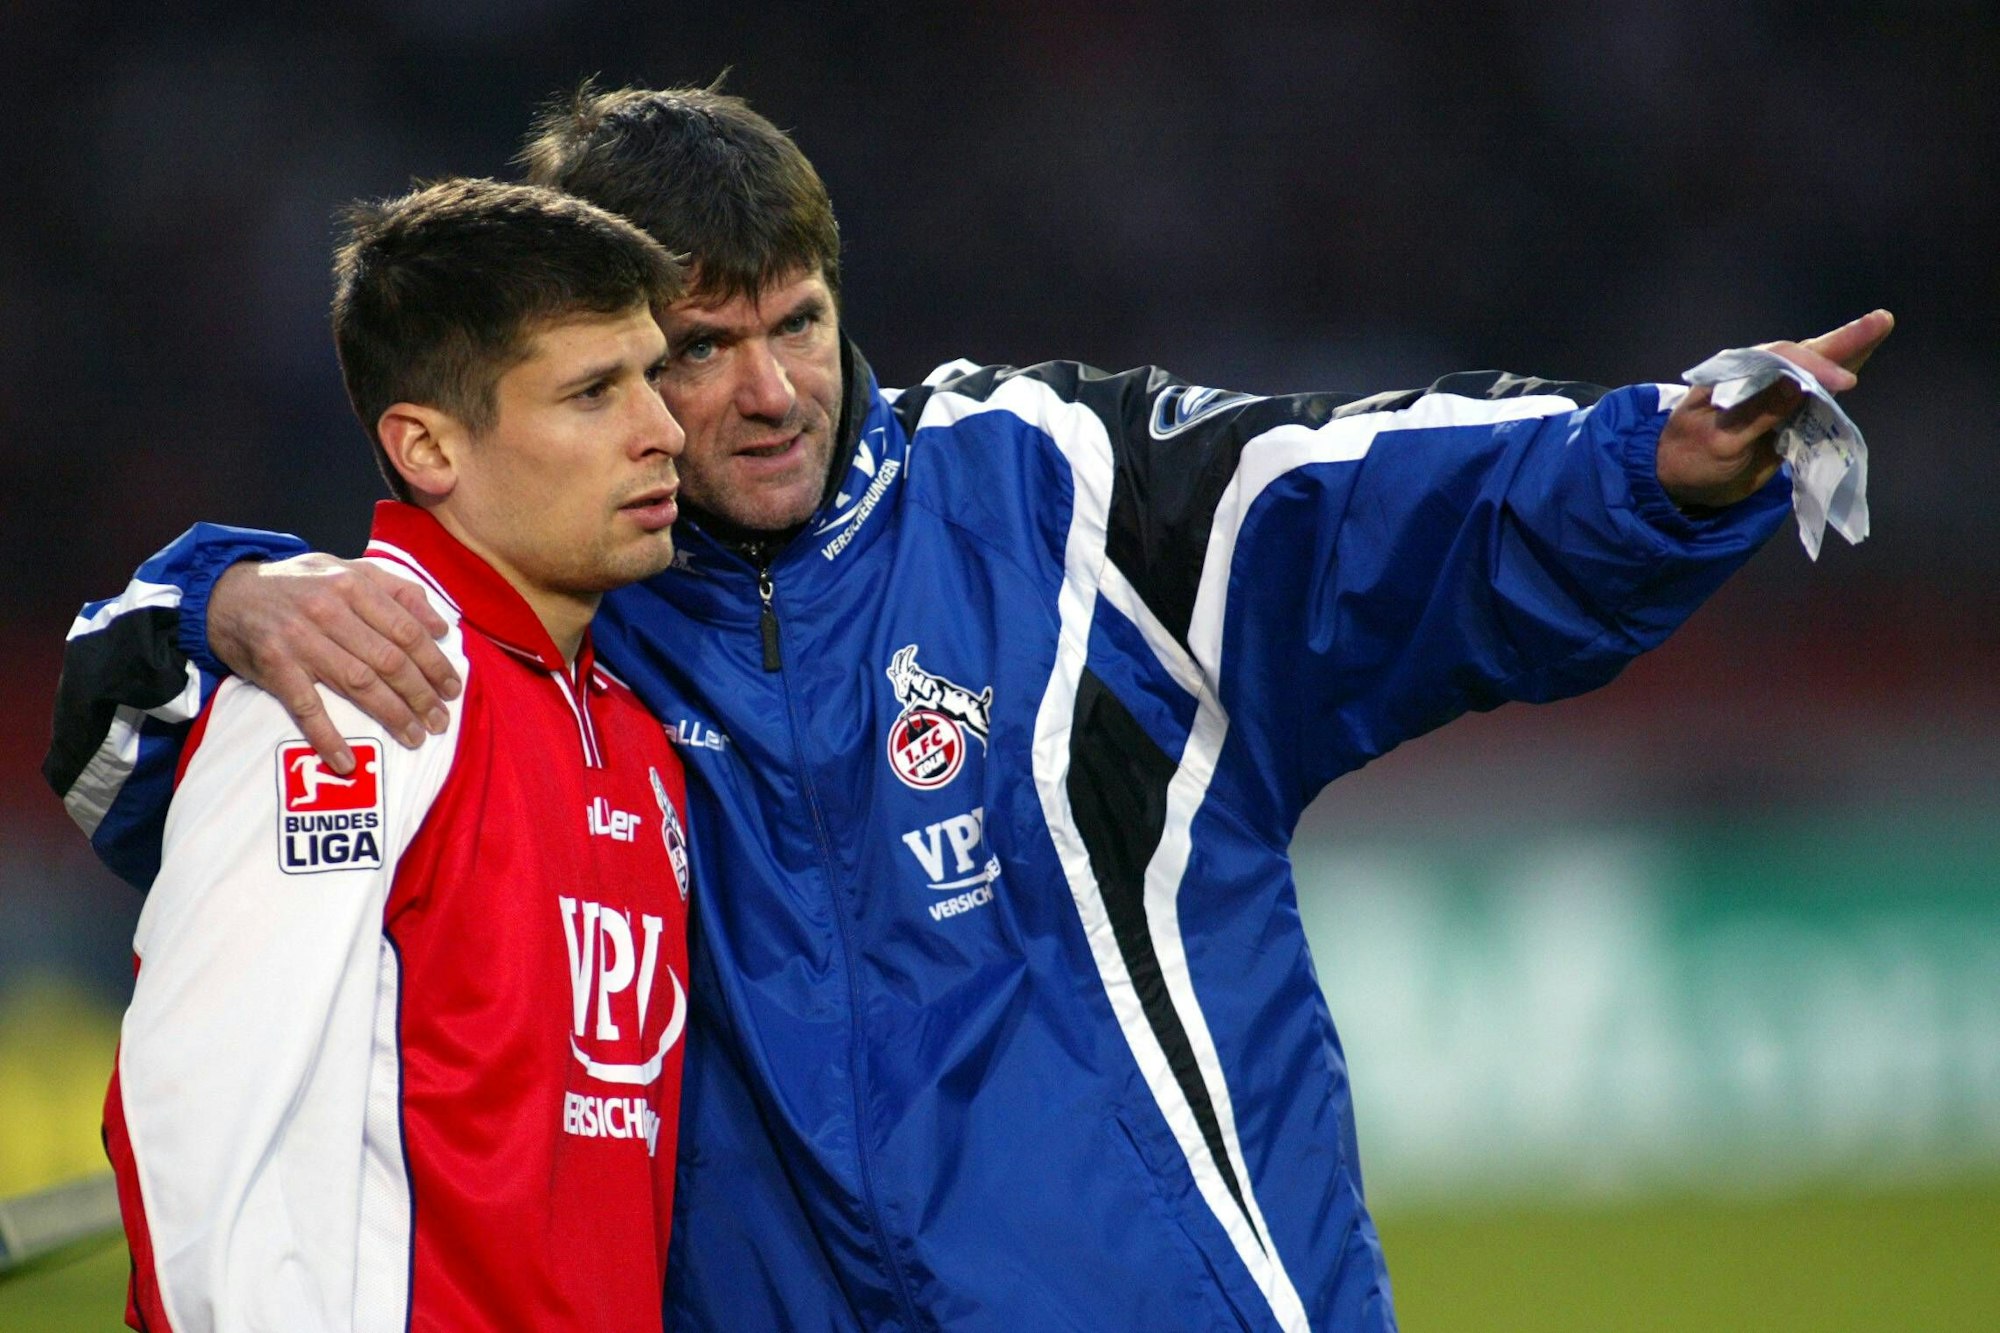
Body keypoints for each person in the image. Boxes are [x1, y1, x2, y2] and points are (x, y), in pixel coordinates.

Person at [48, 84, 1894, 1332]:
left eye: (801, 318)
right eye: (692, 351)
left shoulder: (1060, 492)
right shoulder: (536, 641)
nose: (768, 390)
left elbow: (1388, 501)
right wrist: (215, 590)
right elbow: (164, 767)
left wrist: (1653, 462)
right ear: (589, 349)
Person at [94, 176, 696, 1330]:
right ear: (425, 446)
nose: (662, 429)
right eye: (592, 391)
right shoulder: (351, 689)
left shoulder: (628, 734)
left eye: (652, 375)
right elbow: (190, 1115)